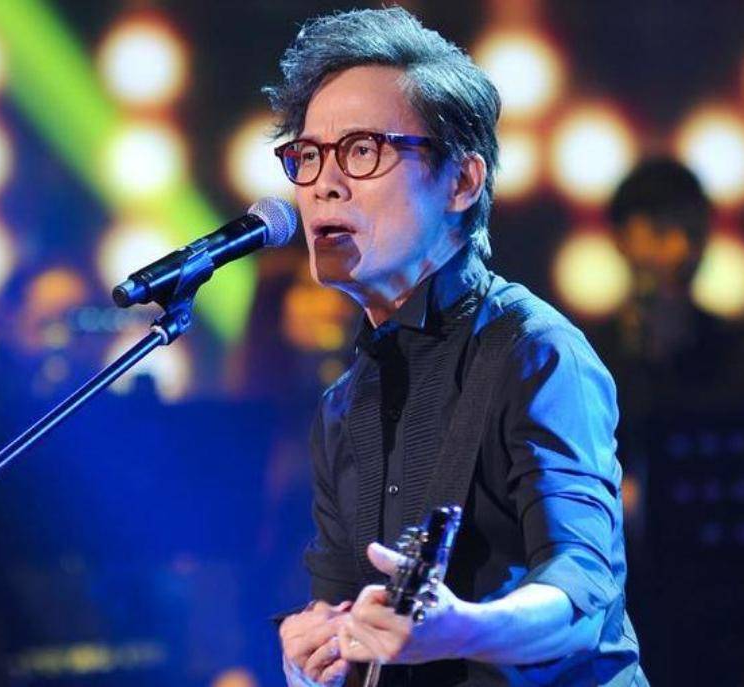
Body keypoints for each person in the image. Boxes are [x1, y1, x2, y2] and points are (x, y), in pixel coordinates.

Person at [264, 7, 647, 686]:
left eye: (362, 150)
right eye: (309, 155)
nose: (323, 183)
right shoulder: (343, 404)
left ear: (462, 182)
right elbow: (341, 620)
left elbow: (584, 587)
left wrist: (462, 627)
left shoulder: (537, 353)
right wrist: (308, 659)